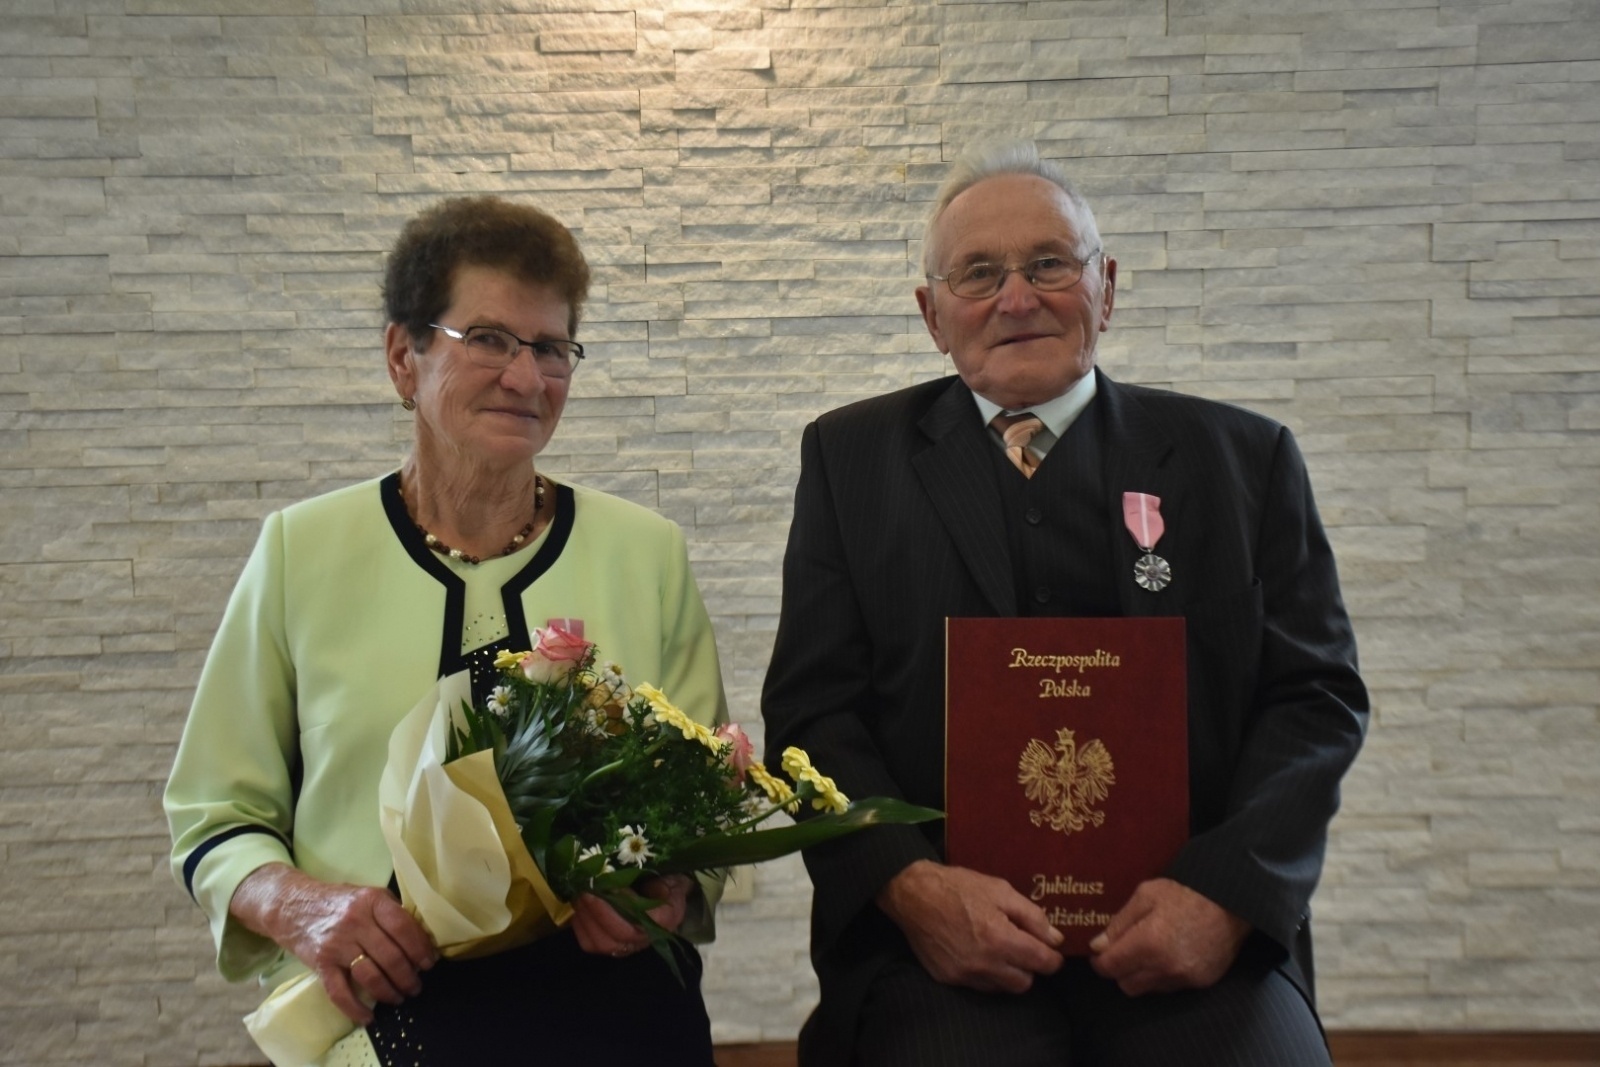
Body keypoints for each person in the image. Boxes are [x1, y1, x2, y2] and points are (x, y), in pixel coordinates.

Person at [761, 141, 1369, 1066]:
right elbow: (813, 715)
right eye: (978, 273)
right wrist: (913, 890)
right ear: (932, 315)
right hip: (943, 952)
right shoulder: (851, 462)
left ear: (1107, 288)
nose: (1018, 297)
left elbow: (1315, 700)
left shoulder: (1244, 462)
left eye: (1050, 263)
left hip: (1192, 940)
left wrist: (1224, 897)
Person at [165, 196, 729, 1065]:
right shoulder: (299, 552)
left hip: (609, 1014)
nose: (526, 376)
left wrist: (666, 884)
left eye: (551, 348)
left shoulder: (647, 554)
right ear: (404, 356)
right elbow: (214, 814)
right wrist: (298, 904)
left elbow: (710, 801)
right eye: (491, 340)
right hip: (377, 1011)